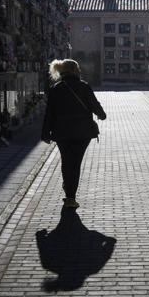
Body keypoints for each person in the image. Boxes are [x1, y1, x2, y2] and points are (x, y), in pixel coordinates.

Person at [41, 59, 106, 208]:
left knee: (66, 161)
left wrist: (45, 133)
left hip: (61, 132)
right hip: (82, 133)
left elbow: (49, 113)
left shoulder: (55, 88)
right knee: (75, 163)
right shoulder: (84, 86)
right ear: (75, 70)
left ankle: (68, 190)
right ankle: (71, 197)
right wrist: (101, 114)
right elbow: (94, 105)